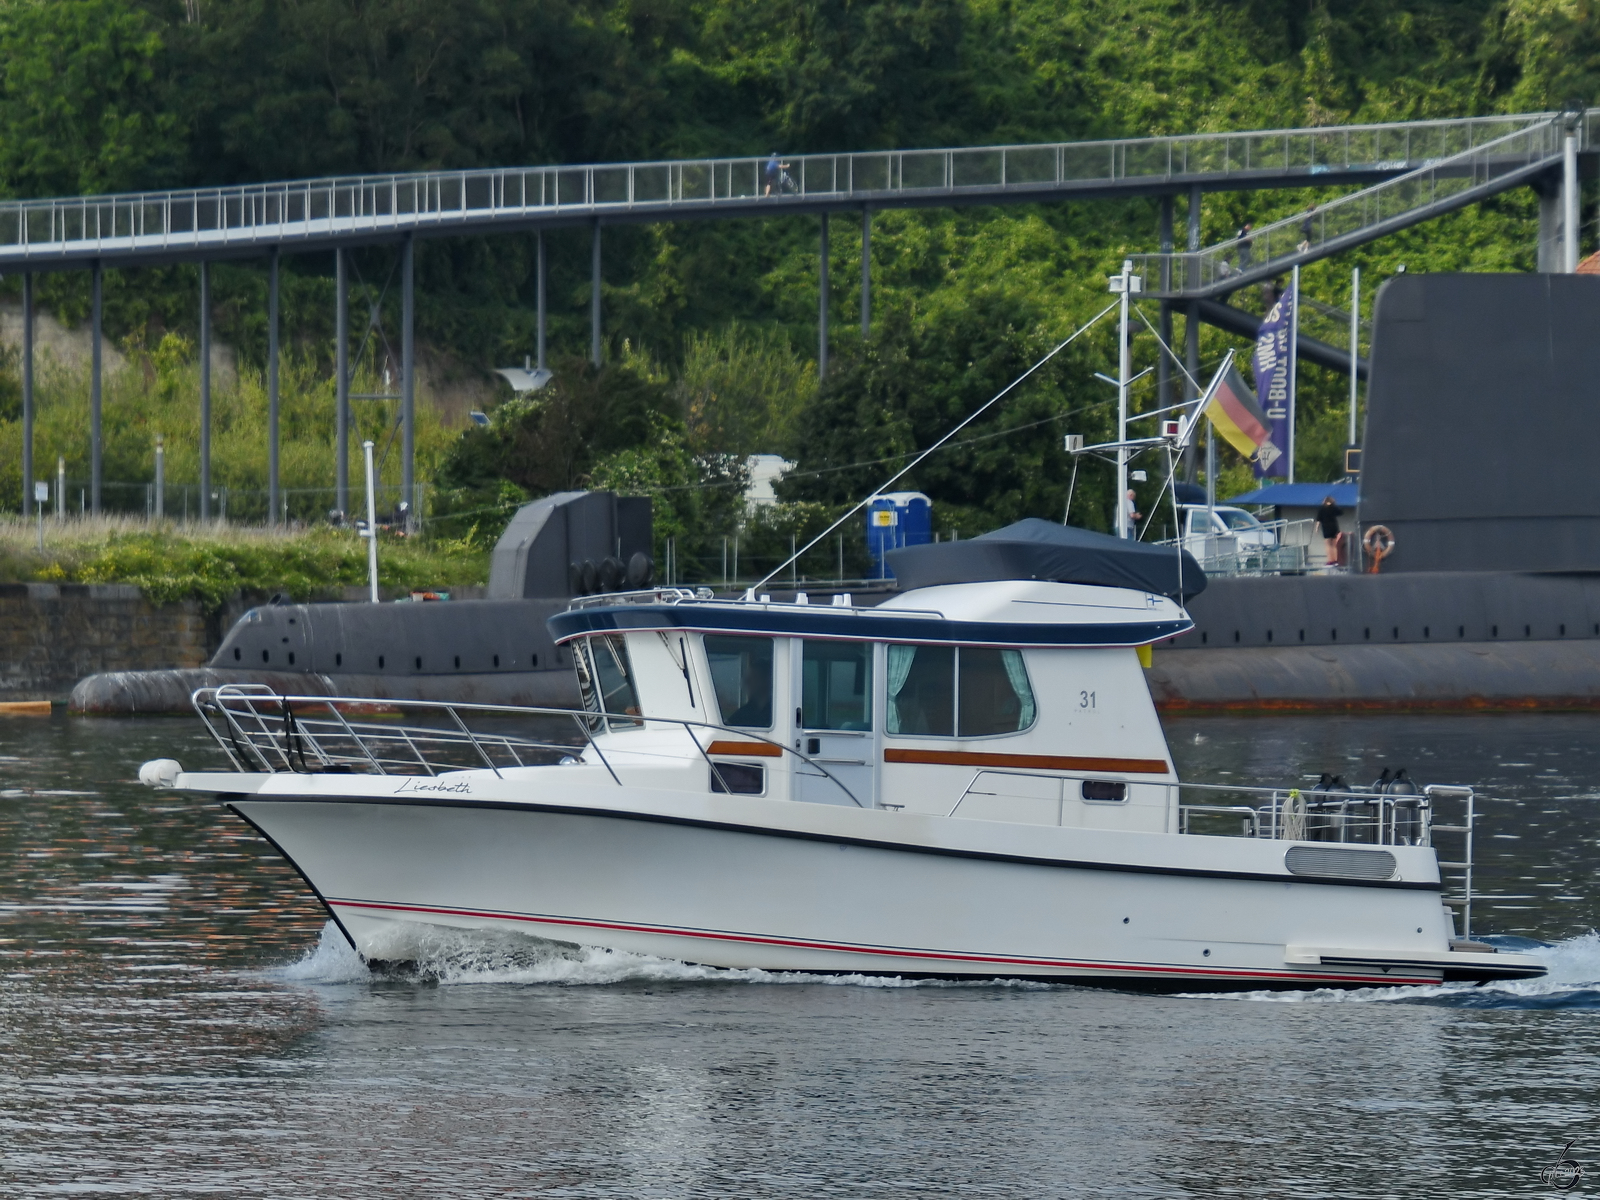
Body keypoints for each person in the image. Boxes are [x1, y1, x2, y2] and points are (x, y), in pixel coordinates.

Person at [1316, 495, 1343, 566]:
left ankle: (1330, 560)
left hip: (1326, 527)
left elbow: (1318, 519)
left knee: (1328, 544)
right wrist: (1334, 505)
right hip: (1334, 527)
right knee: (1334, 545)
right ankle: (1336, 559)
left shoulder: (1322, 508)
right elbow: (1340, 512)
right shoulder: (1333, 508)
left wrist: (1316, 528)